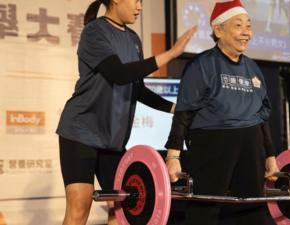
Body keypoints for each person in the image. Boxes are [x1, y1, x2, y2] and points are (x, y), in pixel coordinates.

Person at [56, 0, 196, 224]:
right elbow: (119, 74)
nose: (140, 7)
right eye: (136, 0)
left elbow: (137, 88)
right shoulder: (94, 32)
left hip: (114, 141)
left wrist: (175, 109)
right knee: (79, 207)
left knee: (122, 210)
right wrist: (170, 54)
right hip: (80, 133)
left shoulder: (133, 39)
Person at [164, 1, 280, 224]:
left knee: (253, 208)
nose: (246, 32)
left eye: (249, 25)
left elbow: (261, 116)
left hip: (251, 146)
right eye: (238, 26)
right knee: (204, 211)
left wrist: (270, 156)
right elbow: (184, 112)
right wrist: (173, 155)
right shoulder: (201, 65)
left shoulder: (253, 69)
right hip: (211, 145)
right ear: (218, 30)